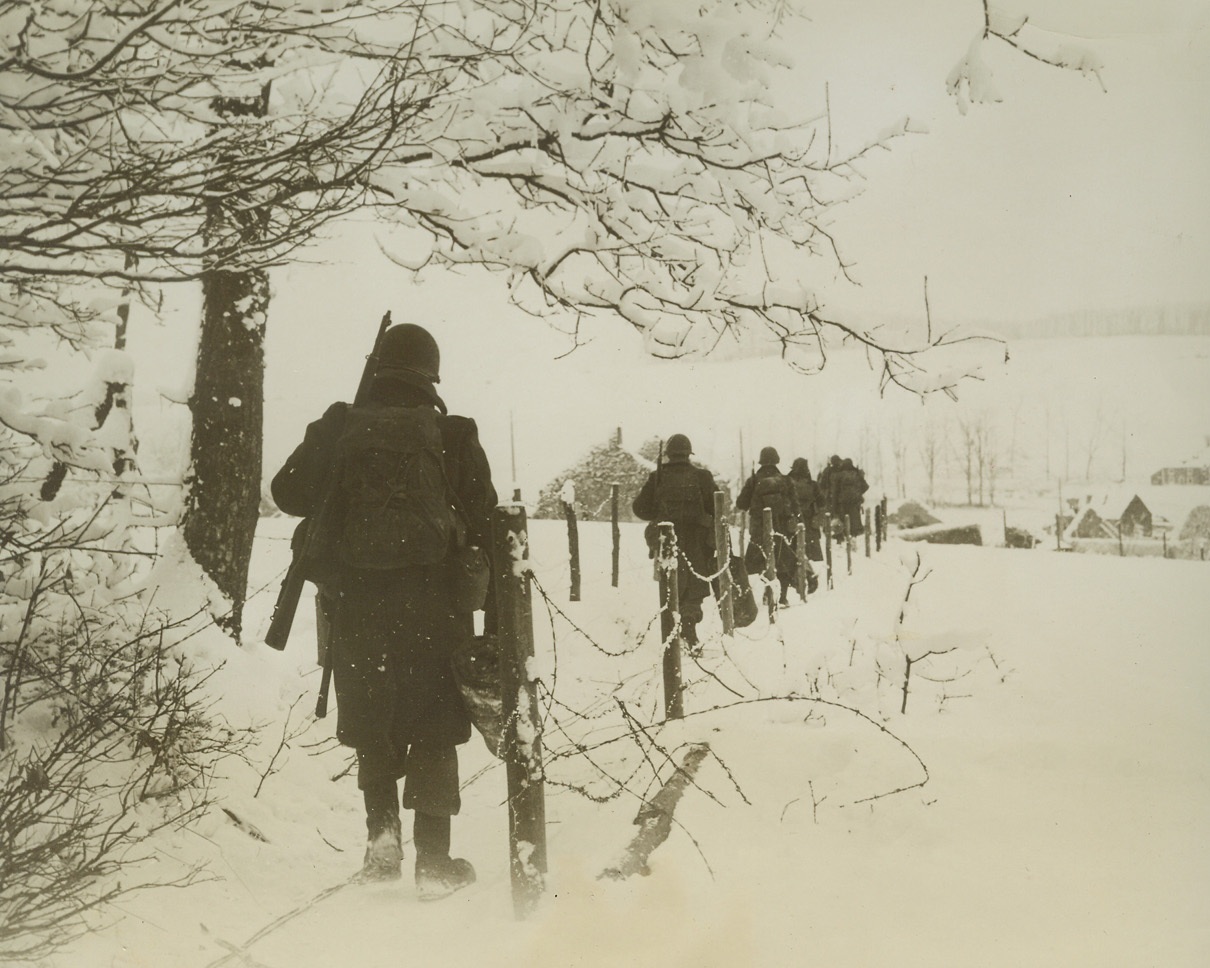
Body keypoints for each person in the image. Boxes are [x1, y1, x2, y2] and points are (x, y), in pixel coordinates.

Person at [270, 322, 496, 899]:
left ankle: (381, 842)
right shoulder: (454, 432)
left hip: (359, 602)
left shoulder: (341, 423)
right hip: (437, 605)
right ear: (432, 374)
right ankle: (435, 863)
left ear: (379, 368)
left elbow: (288, 492)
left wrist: (338, 440)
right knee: (435, 724)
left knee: (372, 715)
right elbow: (486, 513)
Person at [632, 433, 719, 648]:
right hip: (697, 539)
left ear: (668, 454)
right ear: (689, 454)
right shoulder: (703, 477)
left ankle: (673, 631)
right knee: (695, 587)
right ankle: (689, 623)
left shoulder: (658, 477)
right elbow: (718, 507)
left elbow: (640, 509)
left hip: (667, 538)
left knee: (671, 584)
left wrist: (659, 510)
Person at [736, 446, 798, 606]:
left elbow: (741, 504)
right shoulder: (786, 480)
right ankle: (782, 596)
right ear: (776, 460)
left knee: (759, 561)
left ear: (761, 461)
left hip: (759, 528)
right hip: (782, 528)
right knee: (783, 559)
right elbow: (795, 506)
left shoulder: (754, 480)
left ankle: (765, 593)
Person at [787, 458, 823, 564]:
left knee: (791, 557)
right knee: (813, 559)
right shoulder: (813, 485)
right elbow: (822, 503)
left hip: (792, 522)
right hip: (809, 523)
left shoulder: (786, 483)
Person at [835, 457, 869, 536]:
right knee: (854, 520)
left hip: (842, 502)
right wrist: (858, 492)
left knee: (843, 519)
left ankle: (844, 536)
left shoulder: (839, 475)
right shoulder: (856, 474)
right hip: (855, 502)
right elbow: (865, 486)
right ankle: (854, 535)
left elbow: (836, 490)